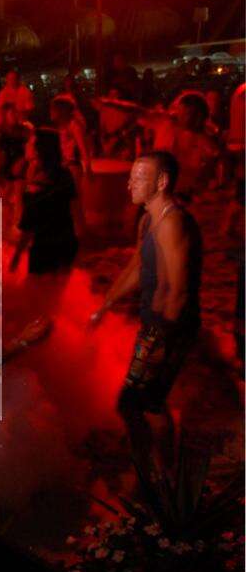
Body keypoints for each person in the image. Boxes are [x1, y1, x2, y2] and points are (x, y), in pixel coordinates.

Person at [90, 152, 202, 485]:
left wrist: (160, 339)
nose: (129, 184)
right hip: (156, 325)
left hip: (170, 327)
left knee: (144, 403)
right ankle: (149, 469)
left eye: (138, 178)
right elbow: (138, 267)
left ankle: (164, 475)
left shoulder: (173, 223)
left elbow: (178, 291)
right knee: (138, 403)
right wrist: (105, 304)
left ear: (162, 182)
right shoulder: (148, 219)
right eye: (131, 177)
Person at [11, 129, 78, 275]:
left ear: (38, 150)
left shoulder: (38, 184)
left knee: (39, 286)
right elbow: (75, 212)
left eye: (31, 143)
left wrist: (16, 256)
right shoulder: (65, 174)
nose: (26, 145)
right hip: (67, 243)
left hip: (45, 249)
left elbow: (28, 225)